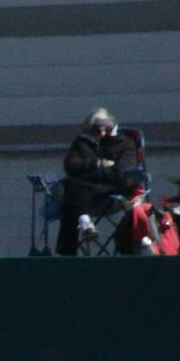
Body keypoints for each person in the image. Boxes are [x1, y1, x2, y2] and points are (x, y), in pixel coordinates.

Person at [56, 107, 141, 256]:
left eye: (105, 130)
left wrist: (89, 172)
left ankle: (67, 249)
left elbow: (122, 175)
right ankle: (84, 223)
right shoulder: (84, 142)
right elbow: (70, 166)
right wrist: (98, 163)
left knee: (73, 190)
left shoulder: (125, 144)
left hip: (111, 193)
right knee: (71, 187)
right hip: (85, 193)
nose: (101, 134)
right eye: (96, 131)